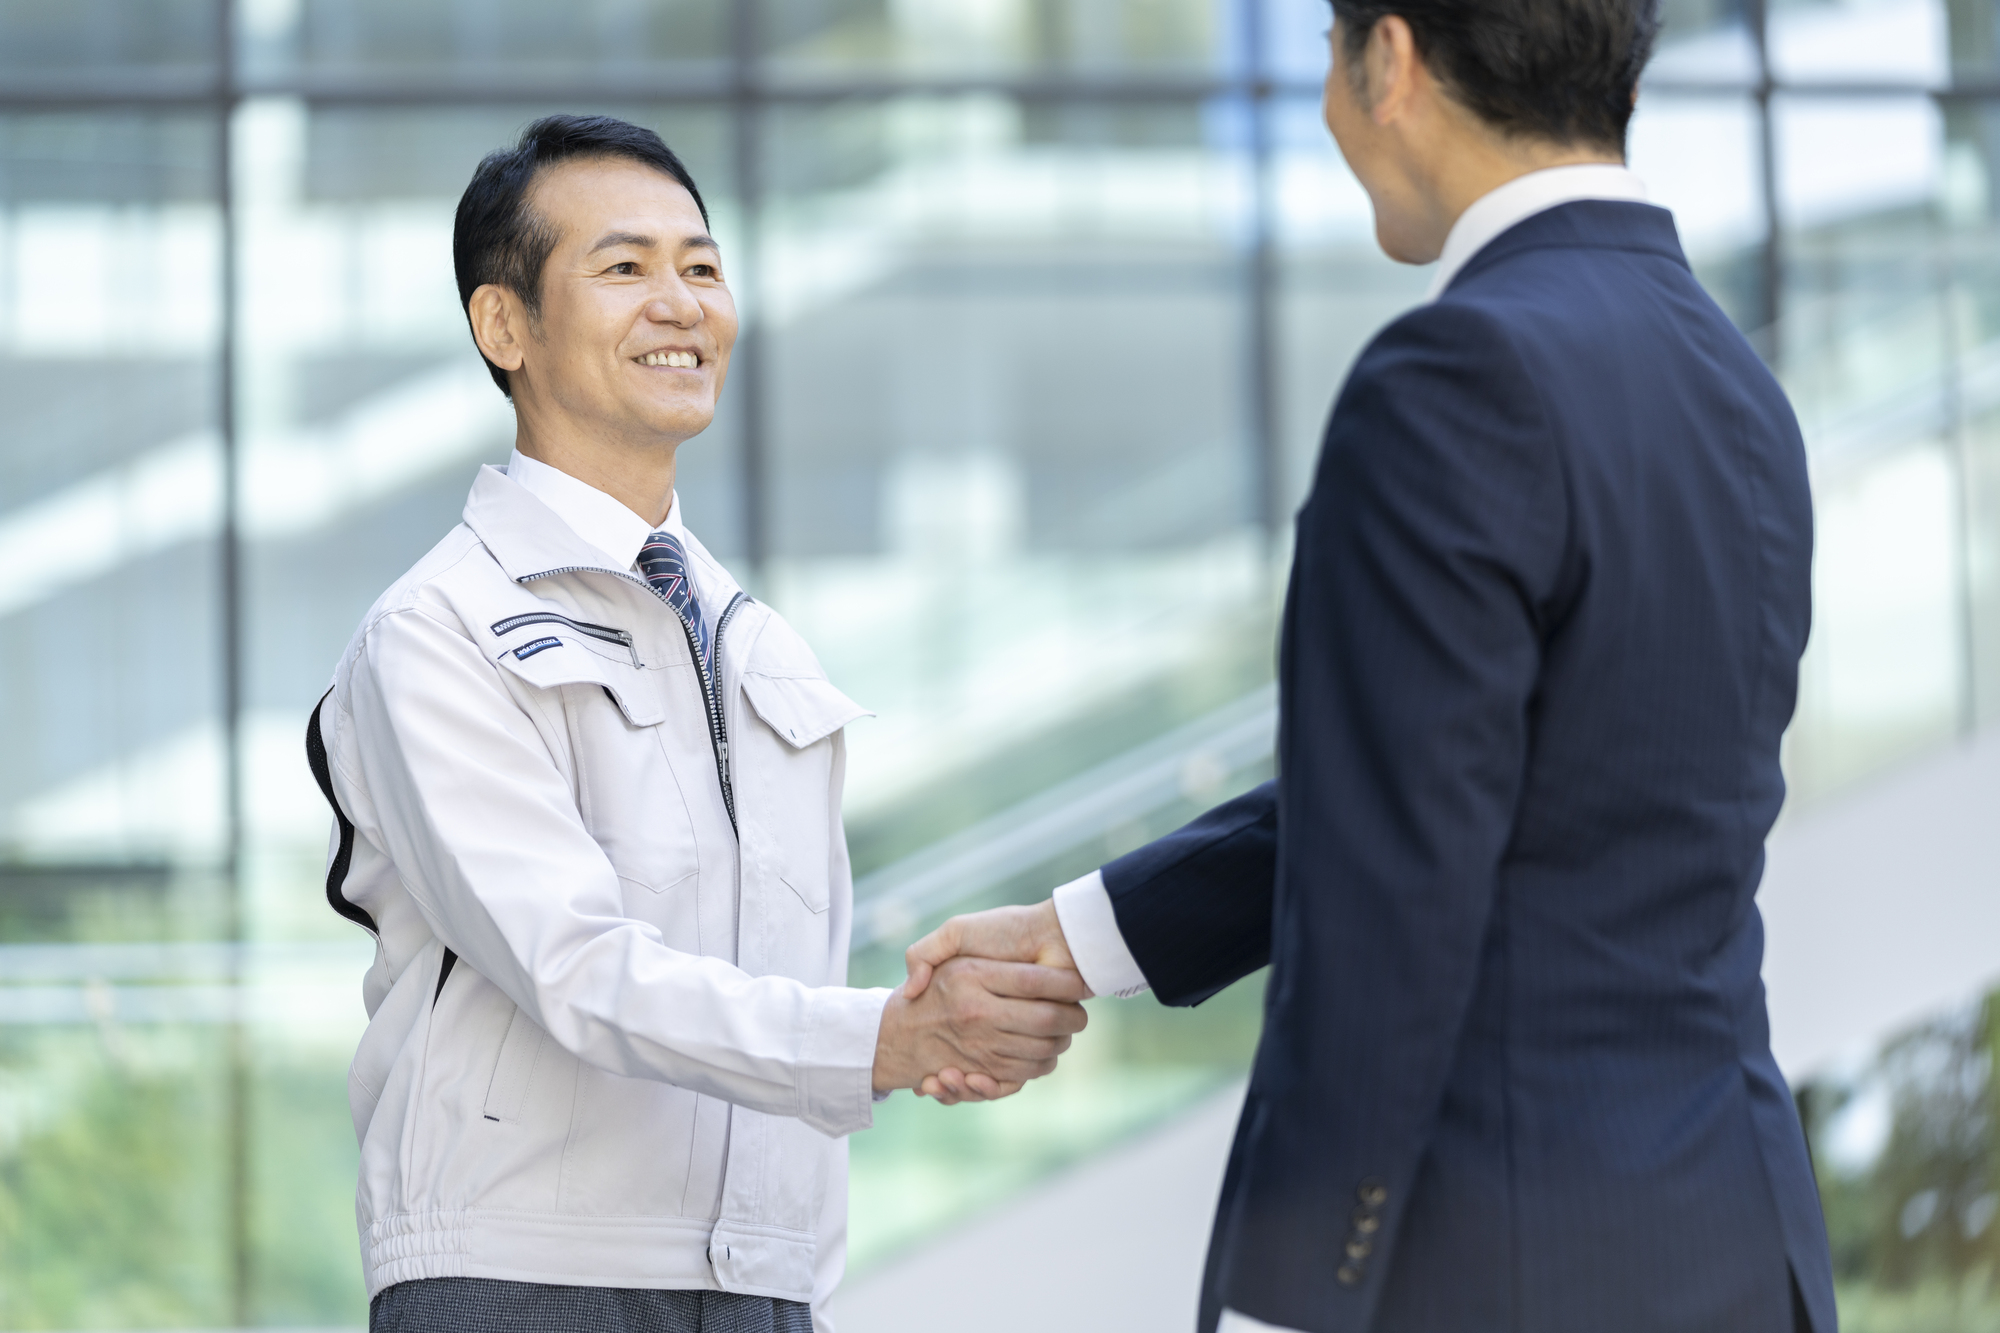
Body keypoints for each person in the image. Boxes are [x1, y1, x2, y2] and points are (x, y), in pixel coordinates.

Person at [904, 1, 1835, 1330]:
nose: (1330, 113)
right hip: (1738, 1244)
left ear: (1388, 60)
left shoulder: (1459, 372)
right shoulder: (1734, 380)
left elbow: (1392, 892)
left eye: (1327, 68)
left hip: (1507, 1262)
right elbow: (1471, 786)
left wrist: (1292, 1296)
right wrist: (1079, 936)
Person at [305, 114, 1087, 1333]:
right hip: (524, 1279)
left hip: (763, 1281)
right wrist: (882, 1037)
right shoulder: (439, 628)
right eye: (623, 269)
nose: (679, 302)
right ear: (502, 326)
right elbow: (576, 966)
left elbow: (777, 956)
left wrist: (911, 1042)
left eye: (702, 266)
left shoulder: (750, 635)